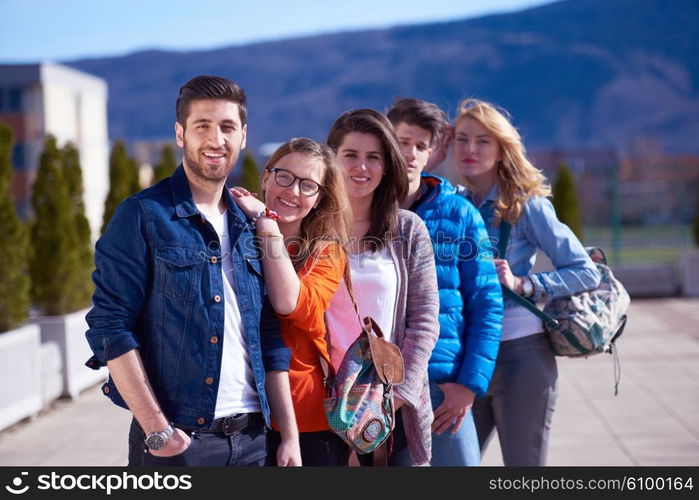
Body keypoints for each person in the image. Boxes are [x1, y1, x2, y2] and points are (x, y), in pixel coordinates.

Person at [85, 75, 301, 466]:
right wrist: (158, 429)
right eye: (202, 125)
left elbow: (269, 333)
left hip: (256, 441)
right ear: (181, 134)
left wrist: (288, 435)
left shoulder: (247, 226)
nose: (216, 139)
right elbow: (110, 327)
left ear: (244, 136)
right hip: (181, 443)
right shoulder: (143, 215)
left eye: (227, 127)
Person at [451, 98, 601, 466]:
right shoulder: (454, 203)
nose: (470, 149)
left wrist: (523, 284)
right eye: (462, 139)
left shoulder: (524, 204)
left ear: (502, 149)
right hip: (469, 359)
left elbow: (585, 270)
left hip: (521, 354)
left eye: (483, 141)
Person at [386, 98, 503, 466]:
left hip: (443, 386)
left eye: (421, 145)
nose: (410, 153)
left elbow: (486, 302)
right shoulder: (358, 209)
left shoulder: (460, 213)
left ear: (434, 151)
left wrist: (468, 386)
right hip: (377, 387)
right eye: (402, 141)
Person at [325, 109, 440, 466]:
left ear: (387, 165)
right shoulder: (309, 229)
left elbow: (425, 320)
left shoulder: (408, 230)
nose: (361, 167)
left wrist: (396, 399)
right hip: (322, 406)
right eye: (350, 156)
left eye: (373, 157)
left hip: (392, 407)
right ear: (331, 161)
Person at [229, 138, 353, 466]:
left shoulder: (327, 253)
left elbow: (289, 303)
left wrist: (265, 222)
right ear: (266, 177)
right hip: (241, 412)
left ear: (319, 199)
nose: (293, 191)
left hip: (308, 420)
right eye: (284, 176)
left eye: (308, 185)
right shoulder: (236, 237)